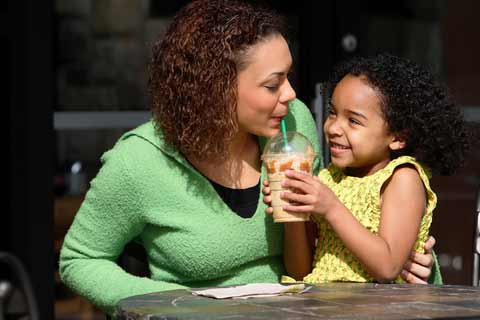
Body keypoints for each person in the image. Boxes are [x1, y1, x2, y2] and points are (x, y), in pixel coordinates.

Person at [59, 0, 437, 314]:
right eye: (273, 84)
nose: (290, 94)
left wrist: (407, 256)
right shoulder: (139, 161)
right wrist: (165, 306)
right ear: (217, 89)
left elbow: (327, 232)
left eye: (289, 77)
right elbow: (80, 260)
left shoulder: (293, 125)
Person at [263, 54, 468, 284]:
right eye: (333, 112)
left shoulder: (401, 178)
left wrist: (331, 207)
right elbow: (300, 272)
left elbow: (388, 266)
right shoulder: (328, 179)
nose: (333, 128)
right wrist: (293, 216)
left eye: (354, 121)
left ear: (398, 137)